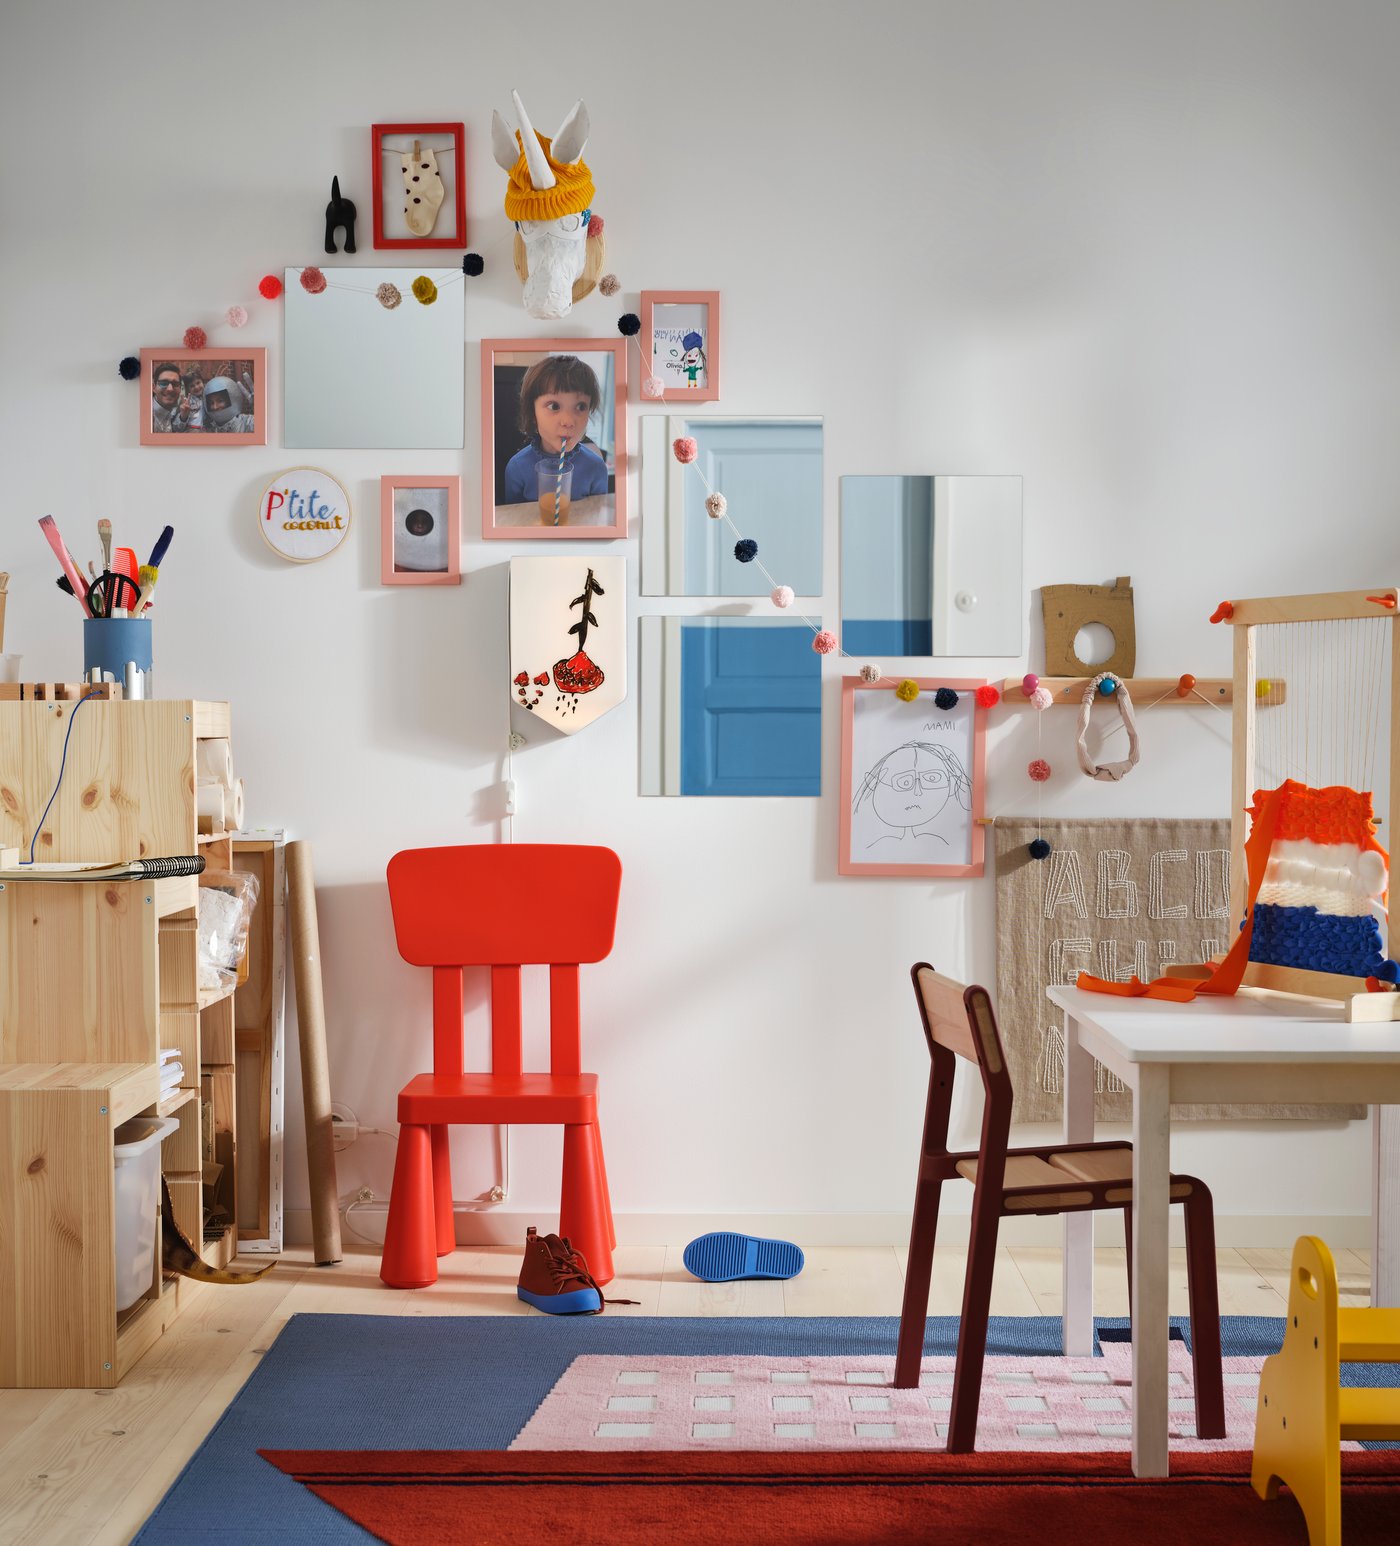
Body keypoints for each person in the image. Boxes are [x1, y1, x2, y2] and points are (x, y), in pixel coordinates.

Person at [501, 355, 610, 505]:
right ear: (532, 413)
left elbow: (600, 521)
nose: (568, 421)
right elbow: (511, 520)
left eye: (581, 407)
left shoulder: (596, 468)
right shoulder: (517, 468)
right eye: (554, 406)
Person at [853, 740, 972, 849]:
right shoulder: (876, 847)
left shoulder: (941, 845)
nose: (917, 792)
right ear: (873, 784)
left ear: (951, 784)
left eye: (932, 778)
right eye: (904, 782)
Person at [150, 362, 185, 433]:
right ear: (154, 387)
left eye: (175, 384)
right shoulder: (147, 418)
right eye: (163, 383)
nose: (170, 389)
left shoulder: (177, 410)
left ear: (180, 388)